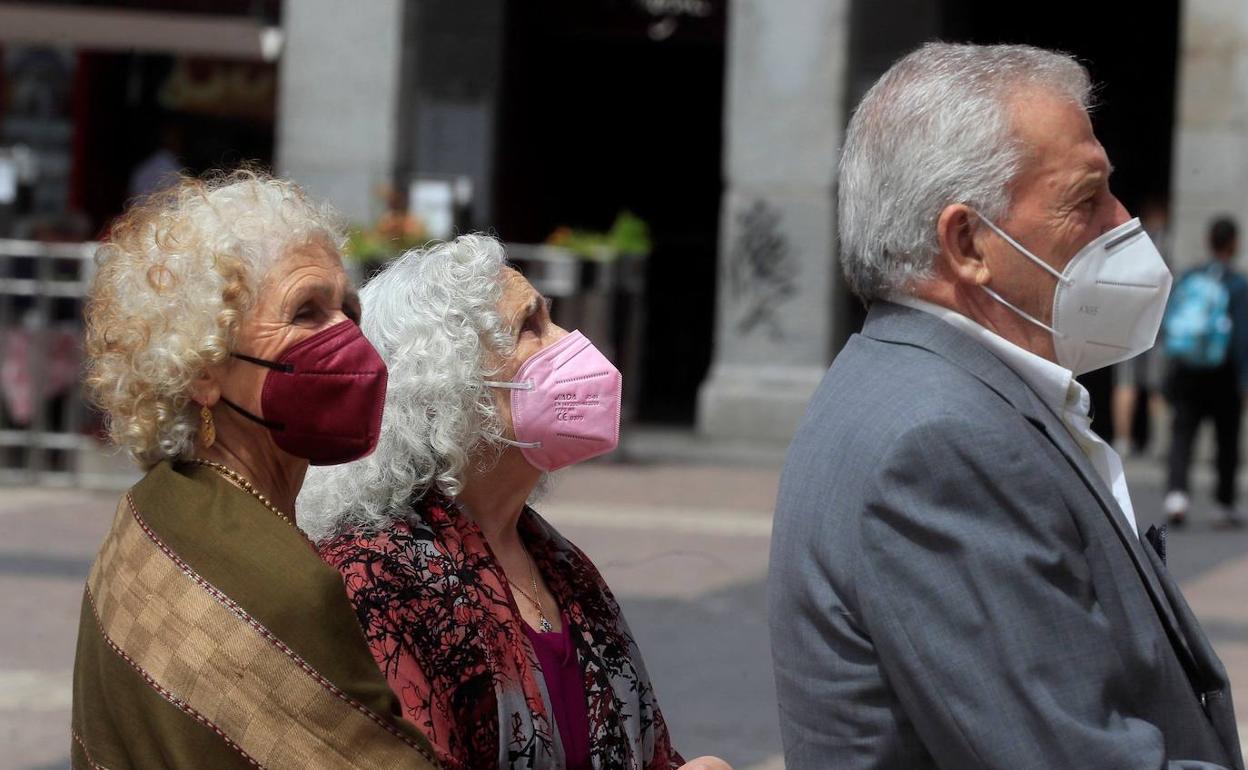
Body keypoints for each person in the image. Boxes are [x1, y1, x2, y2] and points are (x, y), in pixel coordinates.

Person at [769, 43, 1243, 770]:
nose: (1121, 223)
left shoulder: (928, 388)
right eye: (1086, 200)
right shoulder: (940, 440)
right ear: (966, 243)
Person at [297, 235, 729, 770]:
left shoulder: (560, 562)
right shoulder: (374, 578)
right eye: (531, 327)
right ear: (448, 386)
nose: (570, 340)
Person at [72, 171, 437, 770]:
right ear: (202, 371)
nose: (347, 334)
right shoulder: (283, 586)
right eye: (306, 312)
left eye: (347, 307)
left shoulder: (149, 509)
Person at [1162, 216, 1248, 527]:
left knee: (1182, 433)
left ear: (1209, 240)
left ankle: (1176, 495)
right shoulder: (1237, 284)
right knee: (1226, 437)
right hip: (1222, 373)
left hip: (1186, 370)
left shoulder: (1190, 276)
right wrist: (1243, 380)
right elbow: (1240, 338)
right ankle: (1223, 503)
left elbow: (1171, 321)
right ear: (1233, 242)